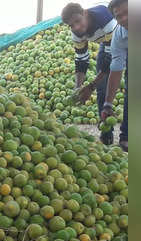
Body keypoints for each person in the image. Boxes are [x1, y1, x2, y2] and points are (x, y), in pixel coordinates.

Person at [61, 3, 118, 145]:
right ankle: (106, 133)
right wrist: (78, 88)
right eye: (71, 25)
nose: (76, 27)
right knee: (102, 89)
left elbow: (112, 59)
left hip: (126, 39)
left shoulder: (104, 18)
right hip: (107, 43)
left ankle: (126, 137)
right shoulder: (76, 33)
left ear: (85, 13)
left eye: (78, 21)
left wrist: (90, 86)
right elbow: (81, 60)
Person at [103, 0, 128, 151]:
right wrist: (108, 104)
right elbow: (116, 68)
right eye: (119, 16)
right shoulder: (119, 35)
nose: (124, 18)